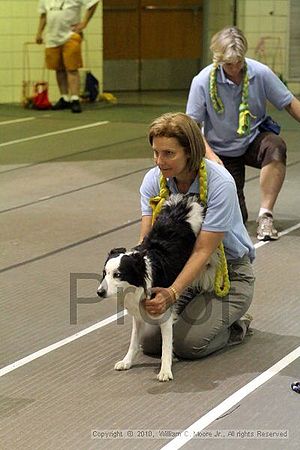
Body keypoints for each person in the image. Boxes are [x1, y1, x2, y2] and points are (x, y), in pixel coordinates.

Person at [139, 112, 255, 360]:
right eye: (156, 152)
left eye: (169, 153)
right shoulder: (153, 180)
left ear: (190, 152)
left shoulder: (220, 183)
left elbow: (203, 250)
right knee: (150, 343)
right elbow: (146, 242)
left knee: (186, 346)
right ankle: (201, 312)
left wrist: (171, 293)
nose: (159, 161)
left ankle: (235, 324)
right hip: (182, 271)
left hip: (228, 274)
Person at [186, 26, 300, 241]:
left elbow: (289, 103)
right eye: (229, 64)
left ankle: (266, 215)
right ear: (218, 60)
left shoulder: (260, 73)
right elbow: (192, 126)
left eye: (239, 62)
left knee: (276, 146)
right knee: (235, 218)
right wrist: (211, 156)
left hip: (252, 140)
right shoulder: (202, 81)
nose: (235, 68)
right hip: (219, 151)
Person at [36, 0, 99, 113]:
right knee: (58, 68)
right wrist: (39, 33)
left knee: (72, 68)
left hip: (70, 36)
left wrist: (84, 23)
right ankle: (64, 97)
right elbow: (43, 15)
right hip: (52, 37)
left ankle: (75, 98)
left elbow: (93, 3)